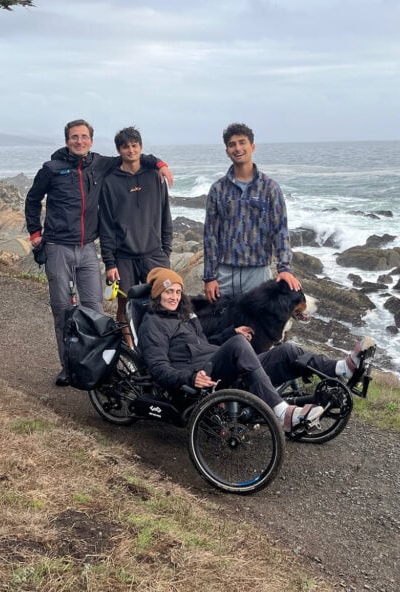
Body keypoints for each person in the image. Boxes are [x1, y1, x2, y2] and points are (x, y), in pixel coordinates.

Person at [25, 119, 173, 386]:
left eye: (84, 137)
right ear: (67, 140)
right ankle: (69, 368)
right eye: (74, 137)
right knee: (62, 311)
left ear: (91, 140)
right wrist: (35, 234)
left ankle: (96, 368)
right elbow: (33, 199)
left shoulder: (101, 163)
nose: (79, 141)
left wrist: (160, 164)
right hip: (58, 246)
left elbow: (134, 156)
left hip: (87, 249)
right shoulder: (51, 169)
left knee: (94, 310)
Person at [138, 267, 376, 432]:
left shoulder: (186, 315)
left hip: (212, 361)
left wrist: (231, 333)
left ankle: (343, 368)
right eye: (169, 292)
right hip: (198, 374)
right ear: (158, 294)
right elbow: (158, 368)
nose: (175, 297)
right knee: (240, 346)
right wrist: (190, 377)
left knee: (287, 351)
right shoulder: (153, 324)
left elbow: (204, 341)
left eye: (178, 292)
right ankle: (283, 414)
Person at [203, 122, 298, 303]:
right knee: (221, 326)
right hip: (224, 273)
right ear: (227, 151)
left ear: (252, 146)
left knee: (257, 327)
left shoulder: (270, 188)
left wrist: (284, 268)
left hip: (258, 272)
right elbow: (210, 235)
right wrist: (209, 277)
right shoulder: (218, 189)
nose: (237, 148)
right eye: (232, 144)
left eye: (242, 142)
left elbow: (280, 230)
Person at [98, 126, 172, 330]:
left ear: (141, 146)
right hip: (124, 256)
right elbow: (106, 224)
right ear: (119, 150)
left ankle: (158, 346)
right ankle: (129, 351)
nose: (131, 150)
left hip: (154, 254)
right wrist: (109, 262)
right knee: (125, 306)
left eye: (134, 145)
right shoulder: (110, 182)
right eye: (125, 147)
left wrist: (166, 250)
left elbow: (166, 215)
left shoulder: (155, 175)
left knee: (163, 303)